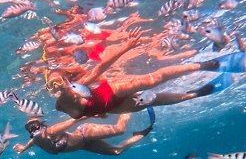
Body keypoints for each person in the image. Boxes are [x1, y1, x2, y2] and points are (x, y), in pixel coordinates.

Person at [47, 28, 245, 119]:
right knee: (154, 100)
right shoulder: (60, 106)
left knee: (154, 79)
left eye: (60, 81)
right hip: (116, 108)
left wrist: (125, 47)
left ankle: (205, 65)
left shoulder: (77, 87)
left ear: (67, 80)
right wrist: (98, 115)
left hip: (112, 91)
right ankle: (195, 94)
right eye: (53, 85)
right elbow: (80, 115)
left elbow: (100, 68)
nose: (59, 86)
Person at [13, 110, 153, 155]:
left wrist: (93, 113)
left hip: (86, 133)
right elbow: (32, 141)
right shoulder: (37, 140)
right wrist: (23, 148)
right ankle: (139, 135)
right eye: (29, 128)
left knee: (120, 129)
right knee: (116, 152)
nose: (33, 129)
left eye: (35, 125)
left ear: (42, 125)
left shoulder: (51, 131)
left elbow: (73, 120)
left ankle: (126, 107)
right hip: (83, 145)